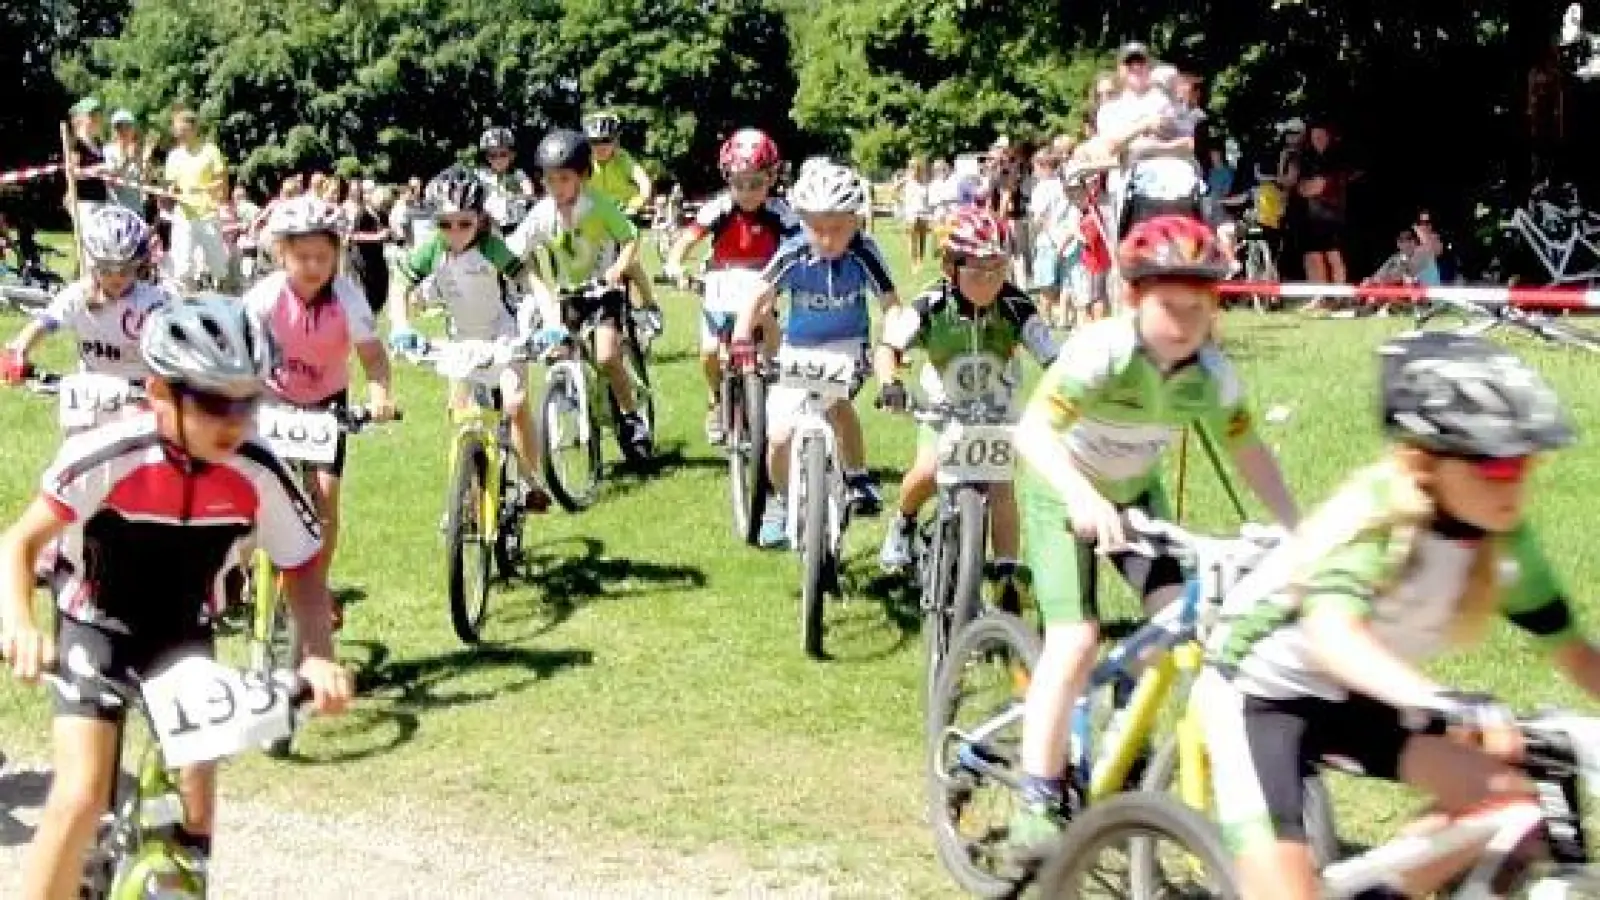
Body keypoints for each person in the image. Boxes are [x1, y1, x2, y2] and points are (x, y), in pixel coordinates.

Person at [1200, 330, 1600, 900]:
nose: (1516, 481)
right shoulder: (1378, 521)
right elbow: (1335, 637)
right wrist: (1440, 700)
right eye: (1495, 466)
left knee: (1512, 804)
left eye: (1525, 461)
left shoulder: (1502, 540)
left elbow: (1576, 654)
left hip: (1362, 696)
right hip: (1261, 695)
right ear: (1428, 460)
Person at [0, 296, 354, 900]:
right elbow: (19, 543)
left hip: (184, 633)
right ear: (160, 394)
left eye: (248, 402)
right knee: (81, 796)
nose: (234, 422)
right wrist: (19, 624)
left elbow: (301, 567)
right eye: (215, 403)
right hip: (97, 625)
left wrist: (317, 654)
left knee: (195, 813)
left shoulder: (259, 470)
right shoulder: (109, 454)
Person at [1007, 215, 1299, 856]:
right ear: (1133, 298)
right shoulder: (1102, 353)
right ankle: (1038, 792)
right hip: (1063, 490)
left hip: (1136, 494)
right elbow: (1032, 433)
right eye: (1169, 308)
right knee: (1075, 640)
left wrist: (1296, 530)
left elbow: (1249, 451)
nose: (1185, 324)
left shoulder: (1212, 374)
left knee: (1180, 621)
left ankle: (1124, 710)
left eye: (1199, 309)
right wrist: (1081, 496)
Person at [875, 207, 1058, 587]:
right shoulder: (930, 304)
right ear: (950, 268)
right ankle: (904, 522)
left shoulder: (1016, 306)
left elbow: (1054, 360)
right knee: (928, 471)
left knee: (1001, 485)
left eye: (998, 268)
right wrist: (889, 382)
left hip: (998, 411)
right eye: (978, 270)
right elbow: (889, 347)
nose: (990, 280)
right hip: (943, 407)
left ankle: (1006, 574)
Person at [729, 161, 901, 549]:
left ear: (856, 220)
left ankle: (856, 475)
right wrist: (741, 336)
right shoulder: (794, 251)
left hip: (848, 346)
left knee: (837, 404)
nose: (825, 239)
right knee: (778, 437)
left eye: (837, 228)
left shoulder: (864, 252)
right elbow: (759, 294)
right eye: (815, 227)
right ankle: (782, 501)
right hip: (798, 349)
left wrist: (894, 342)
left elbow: (891, 302)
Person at [244, 196, 396, 595]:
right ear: (282, 254)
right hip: (272, 396)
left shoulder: (348, 298)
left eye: (322, 258)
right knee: (248, 481)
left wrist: (379, 396)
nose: (312, 267)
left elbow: (373, 358)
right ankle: (235, 570)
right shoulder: (266, 295)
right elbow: (237, 345)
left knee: (325, 498)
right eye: (302, 257)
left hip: (325, 403)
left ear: (337, 256)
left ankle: (315, 586)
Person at [389, 166, 553, 512]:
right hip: (461, 338)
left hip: (502, 331)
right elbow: (401, 284)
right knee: (459, 412)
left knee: (515, 403)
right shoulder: (433, 249)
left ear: (480, 220)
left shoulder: (492, 247)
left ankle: (529, 480)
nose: (455, 232)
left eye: (464, 223)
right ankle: (464, 493)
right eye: (445, 224)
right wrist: (401, 326)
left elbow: (531, 280)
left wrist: (551, 323)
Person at [508, 129, 652, 462]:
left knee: (606, 355)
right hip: (568, 296)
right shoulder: (541, 214)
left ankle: (631, 416)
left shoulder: (598, 206)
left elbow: (630, 238)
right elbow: (514, 250)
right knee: (559, 351)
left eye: (564, 179)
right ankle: (573, 403)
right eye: (549, 180)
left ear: (583, 176)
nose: (556, 187)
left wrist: (617, 268)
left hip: (603, 292)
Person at [661, 128, 797, 445]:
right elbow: (688, 239)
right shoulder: (719, 208)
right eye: (739, 184)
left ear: (771, 178)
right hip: (720, 283)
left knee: (771, 334)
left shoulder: (780, 212)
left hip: (763, 282)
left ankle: (776, 379)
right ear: (727, 179)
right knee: (710, 351)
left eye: (756, 184)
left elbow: (800, 243)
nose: (747, 192)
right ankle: (716, 399)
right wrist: (675, 264)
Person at [1, 206, 170, 391]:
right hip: (91, 389)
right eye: (106, 269)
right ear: (93, 264)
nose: (116, 278)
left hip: (142, 391)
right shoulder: (78, 295)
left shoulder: (154, 302)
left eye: (126, 269)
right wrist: (19, 350)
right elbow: (46, 322)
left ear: (140, 264)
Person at [583, 112, 659, 322]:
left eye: (606, 141)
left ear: (615, 141)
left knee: (630, 263)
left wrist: (638, 203)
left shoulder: (623, 159)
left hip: (625, 216)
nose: (601, 147)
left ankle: (650, 304)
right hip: (596, 222)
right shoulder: (585, 163)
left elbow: (644, 183)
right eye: (595, 142)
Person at [162, 109, 232, 291]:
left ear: (194, 129)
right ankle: (187, 299)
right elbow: (172, 186)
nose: (179, 135)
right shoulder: (173, 156)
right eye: (177, 131)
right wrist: (171, 191)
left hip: (207, 214)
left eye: (183, 130)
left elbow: (222, 182)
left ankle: (224, 295)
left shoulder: (210, 151)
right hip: (183, 216)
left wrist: (202, 188)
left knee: (218, 265)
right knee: (182, 267)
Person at [476, 126, 535, 231]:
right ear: (487, 158)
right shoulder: (481, 176)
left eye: (503, 154)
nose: (498, 159)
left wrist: (519, 195)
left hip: (516, 224)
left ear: (512, 155)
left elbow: (529, 191)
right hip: (491, 226)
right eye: (493, 155)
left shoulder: (518, 174)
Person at [65, 98, 108, 229]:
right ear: (82, 118)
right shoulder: (76, 144)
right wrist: (96, 170)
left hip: (102, 200)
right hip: (84, 202)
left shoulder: (99, 144)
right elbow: (72, 173)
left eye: (98, 115)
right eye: (92, 116)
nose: (97, 120)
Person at [102, 110, 154, 212]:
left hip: (136, 210)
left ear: (133, 130)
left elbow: (145, 182)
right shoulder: (107, 151)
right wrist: (128, 159)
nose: (123, 131)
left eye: (127, 127)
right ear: (113, 130)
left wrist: (145, 163)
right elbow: (112, 183)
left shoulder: (139, 151)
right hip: (116, 209)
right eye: (119, 127)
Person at [899, 157, 934, 268]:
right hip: (911, 213)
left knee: (923, 238)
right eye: (912, 167)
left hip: (924, 213)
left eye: (916, 167)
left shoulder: (924, 182)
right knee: (912, 239)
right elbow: (894, 190)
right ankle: (913, 262)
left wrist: (930, 212)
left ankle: (921, 260)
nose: (914, 169)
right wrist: (902, 200)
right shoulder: (906, 180)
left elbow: (928, 198)